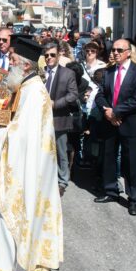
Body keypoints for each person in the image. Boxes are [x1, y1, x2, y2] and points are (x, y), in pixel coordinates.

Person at [0, 35, 63, 271]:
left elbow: (20, 137)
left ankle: (13, 269)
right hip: (30, 164)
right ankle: (32, 260)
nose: (9, 63)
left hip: (26, 167)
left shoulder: (34, 93)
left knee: (16, 209)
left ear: (26, 65)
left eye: (13, 59)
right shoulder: (26, 86)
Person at [94, 39, 136, 216]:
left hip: (130, 123)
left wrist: (116, 112)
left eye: (119, 50)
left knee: (131, 162)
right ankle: (111, 191)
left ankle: (134, 199)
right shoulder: (108, 72)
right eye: (114, 50)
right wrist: (107, 112)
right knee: (109, 157)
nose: (115, 53)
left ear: (128, 52)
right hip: (110, 122)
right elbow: (100, 95)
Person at [43, 42, 78, 196]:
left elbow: (73, 95)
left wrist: (55, 104)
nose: (49, 58)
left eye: (52, 55)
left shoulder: (67, 73)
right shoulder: (40, 73)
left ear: (58, 55)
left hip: (59, 117)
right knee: (44, 150)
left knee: (61, 151)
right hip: (42, 119)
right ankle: (47, 178)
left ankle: (62, 181)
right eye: (46, 55)